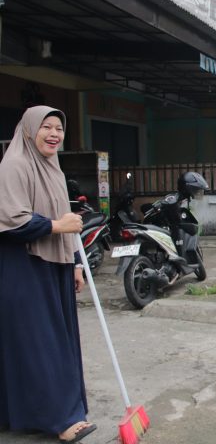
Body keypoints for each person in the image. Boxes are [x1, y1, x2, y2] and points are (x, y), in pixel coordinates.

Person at [0, 106, 97, 442]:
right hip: (22, 265)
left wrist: (74, 263)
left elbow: (65, 218)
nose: (54, 134)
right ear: (28, 130)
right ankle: (63, 419)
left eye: (59, 128)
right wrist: (58, 226)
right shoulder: (14, 165)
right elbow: (11, 220)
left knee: (44, 340)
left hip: (54, 262)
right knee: (43, 343)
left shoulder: (53, 167)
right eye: (47, 128)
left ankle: (16, 415)